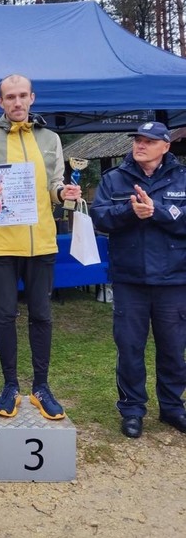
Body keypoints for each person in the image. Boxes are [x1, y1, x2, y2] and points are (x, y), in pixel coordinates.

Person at [0, 74, 81, 420]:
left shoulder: (51, 139)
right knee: (5, 315)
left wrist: (64, 194)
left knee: (42, 315)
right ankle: (11, 385)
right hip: (0, 246)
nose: (16, 102)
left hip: (41, 242)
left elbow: (56, 185)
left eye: (22, 96)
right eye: (9, 97)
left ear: (32, 98)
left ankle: (41, 386)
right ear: (0, 102)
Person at [89, 121, 186, 439]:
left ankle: (172, 408)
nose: (140, 145)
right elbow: (100, 217)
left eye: (149, 141)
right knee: (129, 347)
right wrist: (131, 212)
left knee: (173, 348)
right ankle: (132, 410)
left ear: (165, 146)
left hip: (173, 280)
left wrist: (156, 210)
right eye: (138, 140)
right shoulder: (115, 178)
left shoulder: (181, 177)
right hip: (130, 279)